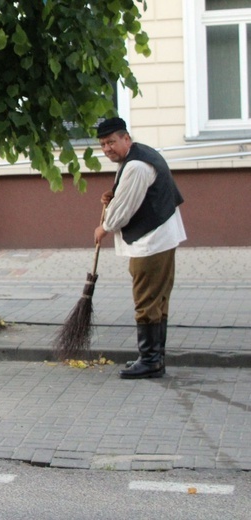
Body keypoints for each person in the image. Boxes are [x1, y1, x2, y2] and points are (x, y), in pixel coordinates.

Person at [93, 117, 187, 380]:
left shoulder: (135, 166)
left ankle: (150, 361)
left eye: (111, 141)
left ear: (126, 139)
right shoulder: (139, 155)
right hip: (161, 237)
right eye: (102, 144)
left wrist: (105, 226)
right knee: (157, 301)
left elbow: (123, 211)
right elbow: (127, 195)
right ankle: (155, 358)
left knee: (146, 301)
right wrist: (113, 195)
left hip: (152, 242)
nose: (107, 148)